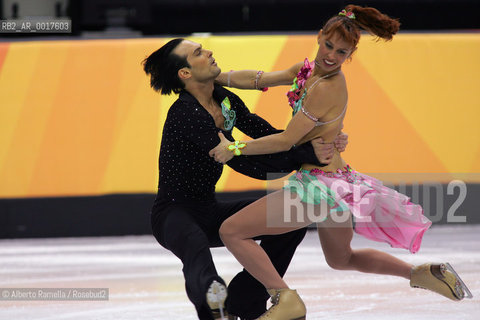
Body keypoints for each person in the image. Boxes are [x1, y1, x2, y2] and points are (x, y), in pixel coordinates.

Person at [210, 5, 472, 320]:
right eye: (329, 46)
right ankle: (423, 273)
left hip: (320, 189)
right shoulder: (307, 71)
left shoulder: (328, 86)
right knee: (342, 258)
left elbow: (286, 141)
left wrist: (234, 148)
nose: (332, 55)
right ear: (319, 38)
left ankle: (285, 299)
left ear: (351, 53)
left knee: (232, 231)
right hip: (337, 182)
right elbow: (261, 78)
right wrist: (217, 76)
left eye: (342, 51)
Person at [142, 38, 349, 320]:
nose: (210, 52)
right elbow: (247, 164)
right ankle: (216, 307)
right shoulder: (185, 114)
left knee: (288, 223)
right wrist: (305, 154)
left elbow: (265, 135)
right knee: (195, 247)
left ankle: (245, 299)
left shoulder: (223, 98)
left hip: (208, 209)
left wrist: (319, 140)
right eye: (199, 53)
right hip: (173, 213)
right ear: (185, 73)